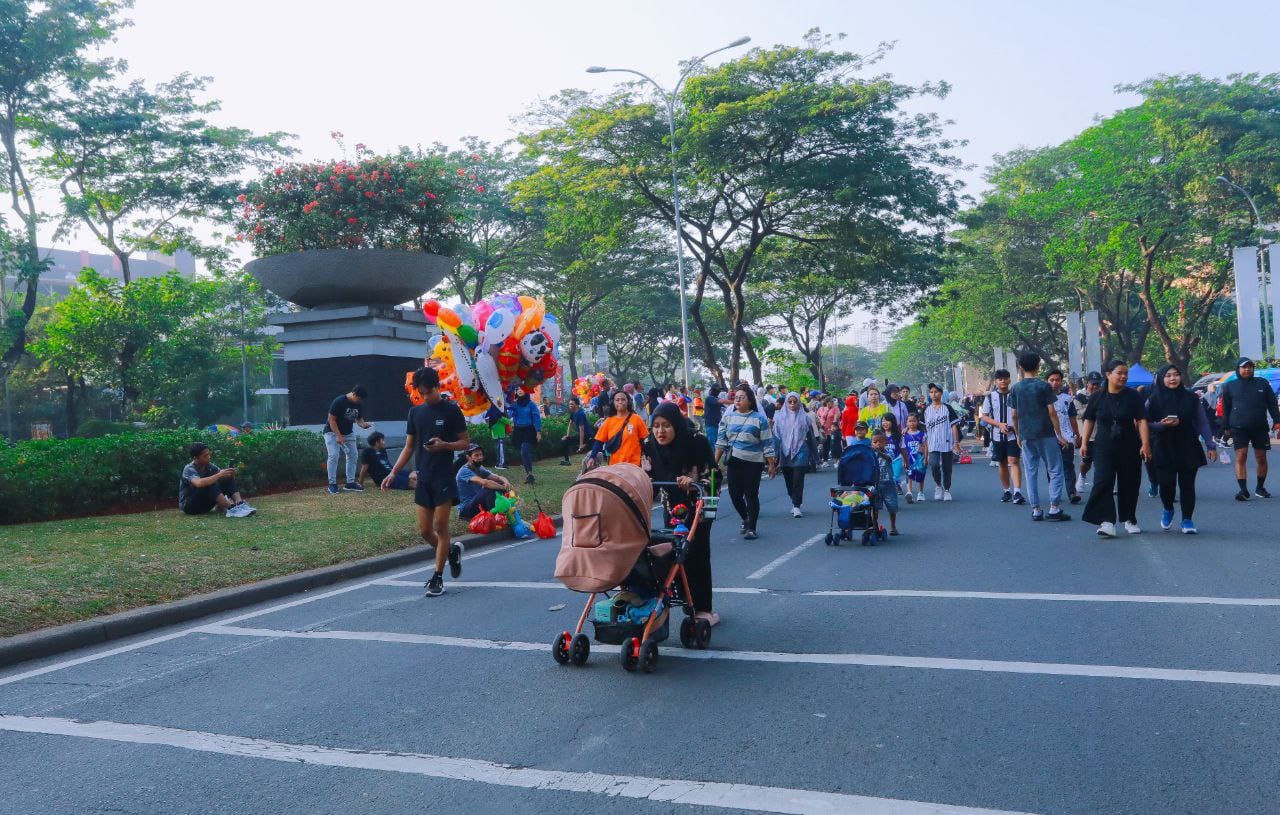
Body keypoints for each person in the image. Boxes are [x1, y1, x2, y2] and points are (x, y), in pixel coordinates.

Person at [384, 367, 469, 597]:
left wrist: (444, 445)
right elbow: (408, 447)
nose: (425, 397)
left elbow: (464, 443)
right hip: (424, 477)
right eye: (421, 393)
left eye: (428, 392)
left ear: (437, 387)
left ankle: (437, 577)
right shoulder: (415, 413)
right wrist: (394, 472)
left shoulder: (452, 410)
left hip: (444, 476)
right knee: (425, 531)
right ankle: (451, 552)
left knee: (440, 527)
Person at [642, 401, 719, 626]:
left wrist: (694, 481)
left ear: (676, 424)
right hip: (672, 507)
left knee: (696, 553)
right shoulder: (649, 445)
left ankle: (704, 608)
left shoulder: (696, 441)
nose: (660, 431)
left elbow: (713, 476)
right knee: (672, 552)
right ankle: (682, 601)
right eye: (656, 425)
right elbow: (648, 478)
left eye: (666, 425)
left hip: (698, 506)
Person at [1080, 359, 1152, 538]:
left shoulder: (1133, 396)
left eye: (1125, 373)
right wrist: (1084, 442)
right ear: (1108, 375)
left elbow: (1142, 420)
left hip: (1129, 445)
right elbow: (1089, 420)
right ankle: (1107, 521)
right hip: (1103, 446)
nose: (1123, 376)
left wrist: (1145, 444)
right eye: (1119, 373)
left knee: (1129, 483)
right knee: (1103, 481)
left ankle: (1130, 519)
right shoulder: (1097, 396)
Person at [1146, 364, 1217, 533]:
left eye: (1176, 374)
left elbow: (1201, 421)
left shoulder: (1191, 397)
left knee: (1187, 485)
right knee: (1166, 485)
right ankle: (1168, 508)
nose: (1173, 378)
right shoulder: (1153, 399)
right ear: (1161, 378)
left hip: (1188, 445)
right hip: (1163, 446)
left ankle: (1187, 520)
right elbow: (1144, 423)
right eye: (1168, 375)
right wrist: (1161, 425)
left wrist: (1210, 445)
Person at [1009, 352, 1070, 522]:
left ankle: (1036, 509)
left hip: (1026, 434)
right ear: (1038, 366)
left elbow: (1014, 414)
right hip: (1046, 433)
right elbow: (1052, 412)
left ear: (1021, 367)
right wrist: (1059, 434)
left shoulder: (1016, 388)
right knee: (1055, 469)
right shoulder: (1044, 386)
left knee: (1031, 471)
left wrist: (1018, 434)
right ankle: (1054, 507)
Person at [714, 384, 777, 539]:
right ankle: (746, 518)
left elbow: (767, 443)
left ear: (750, 401)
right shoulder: (727, 418)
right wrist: (714, 463)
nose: (737, 400)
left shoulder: (759, 419)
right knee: (734, 494)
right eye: (736, 398)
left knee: (751, 494)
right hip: (734, 461)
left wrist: (771, 464)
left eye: (741, 398)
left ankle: (752, 528)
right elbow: (721, 441)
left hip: (754, 462)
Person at [1219, 357, 1280, 501]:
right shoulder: (1229, 386)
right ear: (1238, 369)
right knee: (1241, 456)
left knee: (1261, 457)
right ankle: (1243, 490)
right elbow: (1225, 409)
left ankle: (1260, 488)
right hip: (1238, 428)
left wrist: (1277, 421)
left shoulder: (1262, 383)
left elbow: (1272, 404)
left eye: (1250, 367)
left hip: (1260, 427)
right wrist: (1225, 428)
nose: (1247, 369)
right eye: (1244, 367)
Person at [980, 370, 1025, 505]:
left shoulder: (1016, 395)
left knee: (1014, 460)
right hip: (997, 435)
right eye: (1000, 379)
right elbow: (984, 416)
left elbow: (1022, 413)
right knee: (1002, 462)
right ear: (996, 381)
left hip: (1014, 434)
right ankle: (1007, 491)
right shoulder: (990, 397)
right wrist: (999, 425)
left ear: (1010, 380)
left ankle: (1017, 492)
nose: (1003, 381)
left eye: (1005, 378)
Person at [179, 442, 256, 517]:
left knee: (226, 478)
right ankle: (231, 508)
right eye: (205, 456)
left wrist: (229, 474)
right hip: (190, 506)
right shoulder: (189, 469)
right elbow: (199, 483)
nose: (209, 457)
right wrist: (220, 475)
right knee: (208, 483)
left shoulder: (209, 466)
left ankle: (240, 504)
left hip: (205, 505)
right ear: (195, 458)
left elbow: (223, 478)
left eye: (209, 454)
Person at [775, 392, 817, 518]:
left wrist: (815, 455)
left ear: (799, 403)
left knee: (798, 479)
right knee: (789, 479)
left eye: (795, 401)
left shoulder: (805, 418)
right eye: (790, 402)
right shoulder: (779, 418)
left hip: (801, 450)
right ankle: (793, 498)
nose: (792, 404)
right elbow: (776, 437)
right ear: (786, 403)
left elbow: (811, 437)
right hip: (785, 451)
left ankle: (797, 505)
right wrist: (774, 455)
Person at [326, 384, 373, 494]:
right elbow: (331, 420)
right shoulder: (339, 401)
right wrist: (338, 435)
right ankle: (332, 484)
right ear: (354, 394)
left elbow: (359, 420)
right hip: (332, 432)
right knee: (334, 455)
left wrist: (364, 425)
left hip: (348, 433)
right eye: (359, 398)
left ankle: (350, 483)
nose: (360, 401)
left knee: (353, 455)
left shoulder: (358, 404)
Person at [1045, 370, 1082, 505]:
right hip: (1049, 437)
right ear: (1047, 381)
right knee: (1051, 467)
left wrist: (1076, 434)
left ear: (1061, 382)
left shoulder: (1067, 398)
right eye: (1052, 380)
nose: (1055, 382)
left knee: (1068, 465)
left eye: (1057, 380)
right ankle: (1054, 492)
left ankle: (1072, 492)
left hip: (1067, 437)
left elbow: (1072, 418)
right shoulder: (1042, 398)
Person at [586, 389, 649, 468]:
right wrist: (592, 457)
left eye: (623, 399)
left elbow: (645, 441)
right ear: (613, 403)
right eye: (617, 400)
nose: (620, 402)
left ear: (628, 402)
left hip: (634, 465)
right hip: (615, 466)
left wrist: (647, 457)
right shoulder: (608, 421)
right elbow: (599, 441)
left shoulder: (637, 419)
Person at [923, 383, 960, 501]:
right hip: (932, 443)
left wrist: (956, 442)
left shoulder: (948, 408)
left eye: (936, 392)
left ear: (941, 393)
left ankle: (947, 489)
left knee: (947, 468)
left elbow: (954, 426)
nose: (934, 394)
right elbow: (923, 429)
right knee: (934, 465)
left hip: (947, 442)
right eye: (931, 392)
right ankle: (938, 485)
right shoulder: (926, 409)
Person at [455, 442, 512, 519]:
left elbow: (498, 478)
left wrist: (507, 483)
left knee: (497, 484)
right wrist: (504, 488)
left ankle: (500, 511)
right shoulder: (464, 471)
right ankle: (493, 517)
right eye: (476, 455)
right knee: (489, 488)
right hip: (465, 510)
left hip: (477, 503)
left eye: (481, 454)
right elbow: (485, 483)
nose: (480, 457)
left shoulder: (479, 468)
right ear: (468, 457)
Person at [1073, 371, 1103, 493]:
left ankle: (1103, 484)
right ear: (1087, 383)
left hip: (1102, 433)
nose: (1095, 386)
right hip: (1088, 435)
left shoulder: (1104, 394)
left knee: (1103, 462)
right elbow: (1079, 414)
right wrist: (1092, 404)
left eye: (1097, 384)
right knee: (1087, 462)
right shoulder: (1080, 396)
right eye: (1093, 384)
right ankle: (1082, 476)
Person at [507, 388, 542, 485]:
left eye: (522, 389)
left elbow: (536, 418)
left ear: (526, 390)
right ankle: (529, 474)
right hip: (518, 431)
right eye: (518, 389)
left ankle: (530, 474)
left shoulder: (531, 404)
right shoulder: (514, 404)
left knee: (524, 450)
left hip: (529, 430)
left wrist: (538, 432)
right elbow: (509, 415)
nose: (519, 390)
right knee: (524, 453)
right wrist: (510, 407)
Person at [870, 430, 901, 536]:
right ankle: (875, 527)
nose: (878, 444)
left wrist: (878, 453)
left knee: (892, 507)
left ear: (885, 442)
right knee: (875, 507)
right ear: (871, 443)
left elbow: (889, 459)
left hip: (888, 484)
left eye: (880, 442)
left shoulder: (888, 451)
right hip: (876, 485)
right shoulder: (870, 453)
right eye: (875, 442)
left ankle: (893, 527)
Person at [902, 412, 928, 503]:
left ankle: (921, 492)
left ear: (917, 422)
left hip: (920, 458)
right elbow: (903, 448)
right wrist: (904, 460)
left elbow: (925, 446)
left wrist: (926, 458)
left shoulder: (922, 434)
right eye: (909, 421)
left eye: (914, 421)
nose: (911, 423)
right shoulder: (904, 434)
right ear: (906, 422)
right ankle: (909, 492)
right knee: (909, 475)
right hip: (909, 459)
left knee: (921, 475)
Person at [559, 397, 589, 466]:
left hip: (587, 436)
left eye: (572, 404)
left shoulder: (580, 414)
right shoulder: (573, 413)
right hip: (581, 434)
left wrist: (581, 444)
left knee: (566, 442)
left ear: (577, 405)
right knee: (564, 441)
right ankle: (567, 461)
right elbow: (570, 424)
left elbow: (582, 430)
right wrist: (567, 436)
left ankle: (586, 445)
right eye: (569, 404)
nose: (570, 405)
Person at [703, 385, 725, 450]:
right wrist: (733, 402)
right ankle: (711, 456)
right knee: (712, 445)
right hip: (711, 425)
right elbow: (721, 401)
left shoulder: (716, 398)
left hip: (717, 425)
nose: (719, 392)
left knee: (716, 444)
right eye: (718, 390)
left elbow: (724, 405)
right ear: (713, 390)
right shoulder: (710, 398)